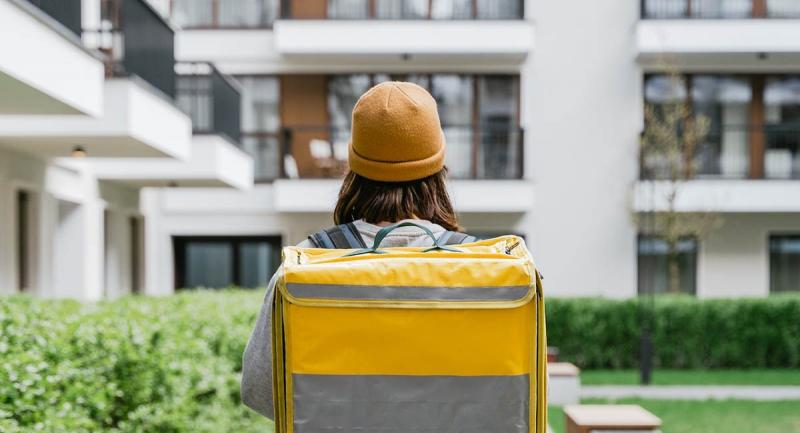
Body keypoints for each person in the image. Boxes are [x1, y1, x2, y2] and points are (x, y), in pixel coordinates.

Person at [241, 81, 474, 419]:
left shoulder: (306, 263)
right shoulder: (485, 266)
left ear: (355, 169)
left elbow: (259, 390)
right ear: (438, 170)